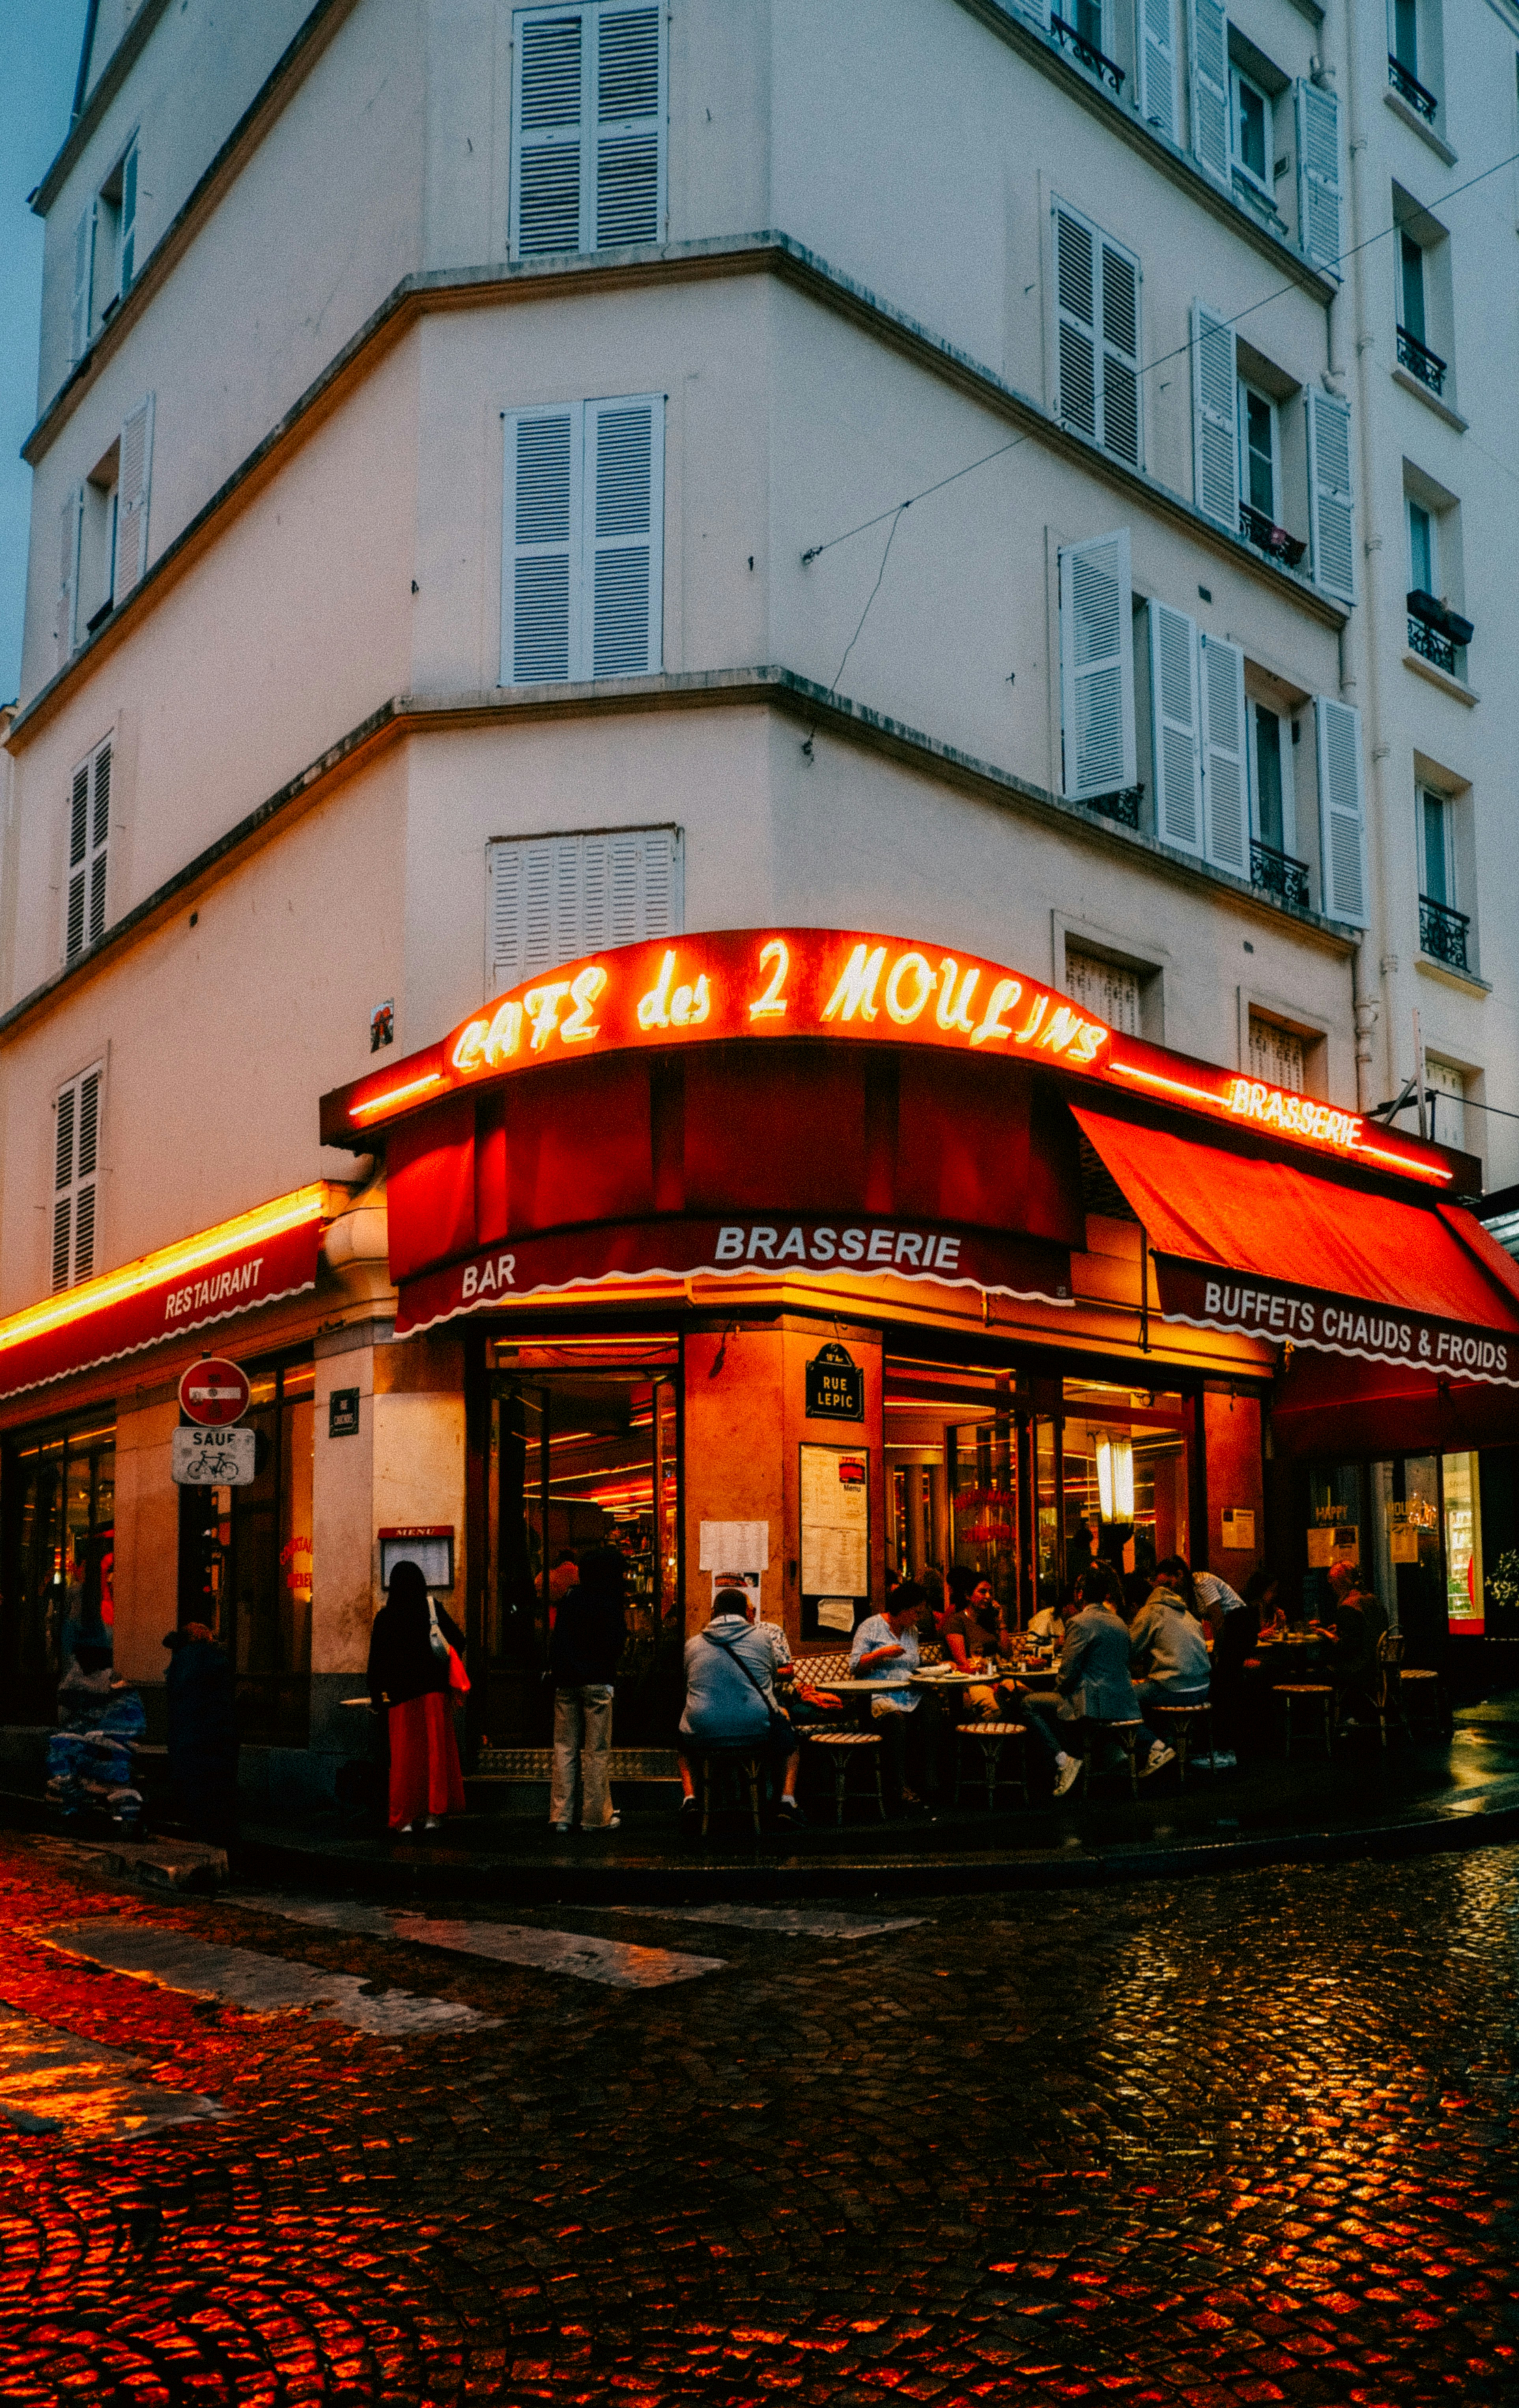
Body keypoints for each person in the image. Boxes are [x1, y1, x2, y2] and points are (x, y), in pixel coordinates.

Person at [1022, 1564, 1175, 1784]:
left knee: (1030, 1703)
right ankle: (1154, 1747)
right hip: (1124, 1701)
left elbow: (1068, 1672)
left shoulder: (1079, 1622)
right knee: (1061, 1705)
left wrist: (1059, 1690)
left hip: (1094, 1705)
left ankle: (1064, 1761)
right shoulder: (1119, 1622)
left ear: (1081, 1594)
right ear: (1105, 1595)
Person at [678, 1587, 803, 1826]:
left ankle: (691, 1800)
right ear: (747, 1613)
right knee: (791, 1744)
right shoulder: (763, 1639)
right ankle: (787, 1801)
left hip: (705, 1732)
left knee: (683, 1746)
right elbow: (771, 1677)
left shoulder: (693, 1645)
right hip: (755, 1728)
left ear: (713, 1613)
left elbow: (688, 1682)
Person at [366, 1559, 466, 1836]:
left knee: (404, 1761)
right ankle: (435, 1814)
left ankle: (406, 1818)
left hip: (400, 1699)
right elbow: (459, 1640)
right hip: (434, 1695)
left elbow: (376, 1663)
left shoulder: (385, 1618)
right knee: (435, 1756)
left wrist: (377, 1697)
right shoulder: (432, 1609)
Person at [548, 1544, 627, 1834]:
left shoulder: (571, 1599)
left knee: (564, 1749)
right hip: (597, 1682)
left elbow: (557, 1641)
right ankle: (595, 1817)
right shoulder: (609, 1601)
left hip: (566, 1683)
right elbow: (617, 1643)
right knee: (596, 1750)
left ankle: (560, 1816)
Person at [47, 1643, 146, 1830]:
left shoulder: (74, 1689)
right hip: (113, 1751)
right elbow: (135, 1725)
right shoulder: (123, 1692)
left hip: (97, 1750)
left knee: (64, 1759)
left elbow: (66, 1720)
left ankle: (73, 1808)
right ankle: (123, 1816)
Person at [850, 1585, 928, 1807]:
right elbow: (855, 1666)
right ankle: (898, 1785)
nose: (919, 1618)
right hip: (877, 1693)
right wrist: (881, 1654)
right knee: (896, 1720)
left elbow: (914, 1663)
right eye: (917, 1612)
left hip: (909, 1690)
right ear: (903, 1610)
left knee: (932, 1711)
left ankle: (931, 1781)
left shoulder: (911, 1631)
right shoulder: (871, 1627)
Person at [163, 1620, 239, 1843]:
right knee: (219, 1789)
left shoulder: (183, 1661)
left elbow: (177, 1697)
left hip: (189, 1734)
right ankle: (223, 1835)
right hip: (220, 1735)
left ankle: (200, 1832)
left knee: (194, 1788)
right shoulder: (218, 1660)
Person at [1128, 1573, 1212, 1722]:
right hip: (1204, 1689)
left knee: (1119, 1698)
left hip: (1176, 1690)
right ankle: (1169, 1740)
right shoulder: (1186, 1612)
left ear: (1135, 1606)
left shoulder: (1149, 1611)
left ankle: (1154, 1743)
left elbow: (1129, 1651)